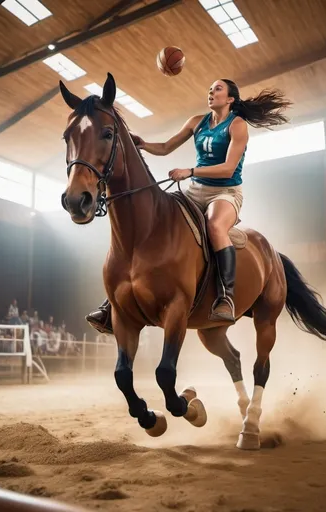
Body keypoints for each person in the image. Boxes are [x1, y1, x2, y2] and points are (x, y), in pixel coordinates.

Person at [87, 78, 291, 334]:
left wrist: (190, 170)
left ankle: (225, 296)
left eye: (218, 89)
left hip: (225, 192)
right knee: (159, 221)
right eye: (210, 89)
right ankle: (115, 299)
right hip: (196, 189)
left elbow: (228, 168)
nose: (211, 92)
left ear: (230, 99)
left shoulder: (237, 125)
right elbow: (165, 147)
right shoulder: (197, 121)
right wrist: (142, 144)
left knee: (215, 226)